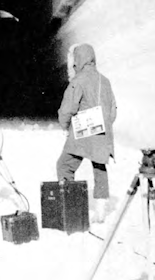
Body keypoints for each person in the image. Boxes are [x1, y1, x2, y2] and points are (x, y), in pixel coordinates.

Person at [56, 43, 117, 223]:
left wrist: (65, 126)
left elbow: (67, 109)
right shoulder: (105, 81)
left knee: (65, 165)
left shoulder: (78, 81)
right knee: (99, 166)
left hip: (81, 132)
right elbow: (113, 111)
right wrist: (103, 125)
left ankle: (71, 206)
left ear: (78, 60)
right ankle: (101, 208)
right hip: (101, 132)